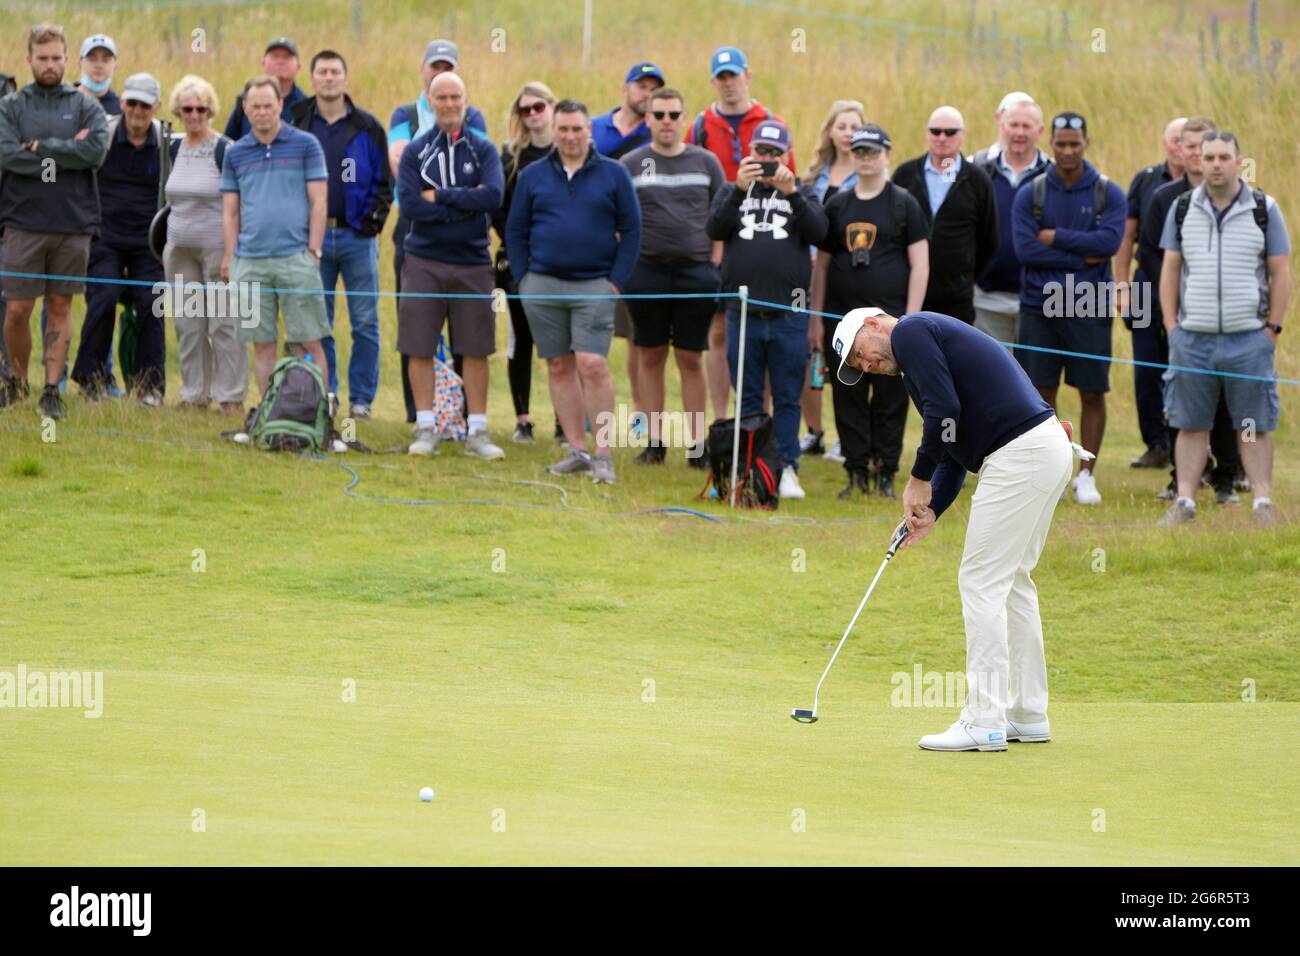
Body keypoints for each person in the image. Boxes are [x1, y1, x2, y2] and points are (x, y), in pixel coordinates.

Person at [832, 307, 1076, 752]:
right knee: (1013, 582)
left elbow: (944, 411)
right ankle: (1027, 713)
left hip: (1021, 454)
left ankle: (984, 721)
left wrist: (915, 479)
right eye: (857, 367)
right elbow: (951, 442)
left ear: (872, 324)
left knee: (981, 582)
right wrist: (929, 511)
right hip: (1044, 449)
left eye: (859, 355)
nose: (865, 366)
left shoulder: (910, 331)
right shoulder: (916, 356)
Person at [1157, 130, 1290, 527]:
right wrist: (1172, 326)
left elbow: (1281, 272)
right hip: (1192, 340)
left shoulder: (1264, 209)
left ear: (1237, 160)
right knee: (1190, 422)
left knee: (1251, 424)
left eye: (1223, 157)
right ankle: (1185, 501)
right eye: (1208, 156)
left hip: (1248, 339)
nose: (1214, 163)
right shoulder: (1182, 209)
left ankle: (1262, 501)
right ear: (1199, 161)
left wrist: (1272, 330)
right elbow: (1170, 270)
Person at [505, 99, 641, 485]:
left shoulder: (614, 174)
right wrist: (523, 280)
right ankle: (577, 451)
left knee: (592, 364)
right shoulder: (533, 175)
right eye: (563, 129)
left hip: (595, 284)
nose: (569, 136)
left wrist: (615, 282)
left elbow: (632, 230)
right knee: (558, 364)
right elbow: (515, 230)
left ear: (589, 130)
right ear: (555, 130)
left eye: (577, 129)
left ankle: (602, 455)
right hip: (541, 284)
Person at [706, 119, 828, 500]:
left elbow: (820, 233)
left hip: (789, 313)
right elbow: (714, 229)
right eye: (761, 151)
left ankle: (787, 466)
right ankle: (749, 465)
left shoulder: (803, 192)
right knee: (748, 395)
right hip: (743, 311)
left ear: (787, 154)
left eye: (775, 153)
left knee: (789, 394)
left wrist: (791, 193)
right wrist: (739, 190)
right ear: (750, 153)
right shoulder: (732, 189)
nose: (768, 159)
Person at [1011, 111, 1125, 505]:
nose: (1067, 151)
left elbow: (1109, 244)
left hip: (1089, 306)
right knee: (1041, 393)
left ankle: (1086, 475)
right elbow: (1026, 249)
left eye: (1074, 143)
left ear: (1085, 144)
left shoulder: (1108, 192)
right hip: (1038, 307)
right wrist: (1082, 255)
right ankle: (1054, 471)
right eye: (1060, 143)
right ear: (1052, 144)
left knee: (1092, 391)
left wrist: (1055, 238)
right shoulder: (1032, 191)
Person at [811, 125, 928, 500]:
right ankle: (856, 470)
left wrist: (910, 322)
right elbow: (823, 265)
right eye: (858, 151)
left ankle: (886, 472)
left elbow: (920, 265)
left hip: (891, 327)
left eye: (872, 151)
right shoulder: (838, 204)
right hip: (844, 324)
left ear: (887, 154)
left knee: (892, 401)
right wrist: (815, 316)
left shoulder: (903, 203)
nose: (865, 158)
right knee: (849, 398)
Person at [0, 24, 110, 419]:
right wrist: (68, 152)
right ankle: (14, 380)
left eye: (56, 58)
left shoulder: (85, 106)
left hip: (72, 222)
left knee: (60, 307)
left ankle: (51, 389)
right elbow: (8, 155)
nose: (49, 65)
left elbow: (94, 152)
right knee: (17, 309)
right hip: (22, 221)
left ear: (67, 60)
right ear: (28, 59)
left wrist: (43, 148)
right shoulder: (11, 106)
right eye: (41, 58)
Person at [396, 71, 504, 460]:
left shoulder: (484, 149)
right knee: (419, 344)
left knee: (475, 348)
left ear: (465, 100)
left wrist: (439, 196)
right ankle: (426, 426)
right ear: (429, 100)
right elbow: (409, 206)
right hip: (423, 259)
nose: (449, 104)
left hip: (472, 261)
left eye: (455, 97)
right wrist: (462, 204)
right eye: (441, 98)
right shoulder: (415, 150)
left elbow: (492, 196)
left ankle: (477, 430)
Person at [687, 45, 796, 425]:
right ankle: (721, 420)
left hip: (764, 238)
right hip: (719, 237)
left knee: (762, 333)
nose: (728, 84)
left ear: (748, 76)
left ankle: (757, 419)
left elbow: (791, 186)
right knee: (718, 332)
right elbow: (696, 185)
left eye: (734, 75)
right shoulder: (701, 126)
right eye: (722, 77)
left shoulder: (770, 120)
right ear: (713, 82)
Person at [621, 87, 724, 467]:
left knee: (691, 358)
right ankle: (655, 441)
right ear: (647, 118)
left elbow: (721, 218)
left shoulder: (706, 162)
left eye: (673, 115)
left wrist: (714, 265)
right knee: (649, 355)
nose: (666, 121)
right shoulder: (629, 164)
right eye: (659, 114)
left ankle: (698, 444)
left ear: (684, 119)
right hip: (645, 274)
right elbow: (620, 222)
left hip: (696, 274)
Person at [1141, 118, 1242, 505]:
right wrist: (1175, 308)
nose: (1200, 154)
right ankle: (1182, 476)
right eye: (1192, 146)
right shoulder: (1165, 198)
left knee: (1226, 401)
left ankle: (1227, 477)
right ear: (1180, 150)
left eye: (1207, 146)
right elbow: (1151, 254)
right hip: (1181, 319)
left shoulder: (1243, 198)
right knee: (1180, 399)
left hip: (1229, 319)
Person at [388, 39, 488, 424]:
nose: (440, 73)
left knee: (467, 327)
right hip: (412, 227)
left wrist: (435, 190)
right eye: (435, 67)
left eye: (448, 67)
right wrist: (453, 189)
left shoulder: (473, 115)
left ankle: (464, 413)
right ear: (423, 71)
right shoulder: (406, 113)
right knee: (415, 324)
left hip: (462, 232)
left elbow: (481, 172)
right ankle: (419, 413)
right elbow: (400, 165)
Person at [291, 49, 392, 421]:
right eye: (322, 72)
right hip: (311, 239)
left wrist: (370, 223)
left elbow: (385, 183)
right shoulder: (298, 121)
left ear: (345, 78)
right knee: (319, 321)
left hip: (356, 239)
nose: (329, 78)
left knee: (365, 321)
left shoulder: (367, 126)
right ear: (313, 78)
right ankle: (326, 393)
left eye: (335, 71)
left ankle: (362, 399)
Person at [219, 76, 330, 396]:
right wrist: (231, 254)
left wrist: (314, 251)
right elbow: (230, 211)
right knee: (262, 343)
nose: (263, 112)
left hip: (296, 258)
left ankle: (318, 408)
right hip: (250, 262)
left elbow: (319, 201)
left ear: (280, 106)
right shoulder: (235, 153)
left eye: (269, 105)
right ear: (245, 109)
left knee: (309, 340)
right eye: (256, 106)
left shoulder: (306, 144)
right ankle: (270, 411)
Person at [70, 73, 169, 405]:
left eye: (145, 104)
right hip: (106, 238)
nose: (138, 110)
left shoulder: (167, 142)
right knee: (104, 296)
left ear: (157, 106)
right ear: (123, 102)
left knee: (151, 302)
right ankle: (91, 379)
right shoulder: (104, 135)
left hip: (148, 242)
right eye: (132, 102)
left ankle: (149, 388)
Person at [161, 74, 245, 415]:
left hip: (217, 248)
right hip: (179, 249)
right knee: (188, 324)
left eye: (200, 108)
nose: (194, 115)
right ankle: (194, 393)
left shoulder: (226, 149)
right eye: (187, 109)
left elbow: (238, 203)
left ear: (210, 110)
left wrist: (231, 252)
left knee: (223, 323)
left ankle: (231, 396)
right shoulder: (173, 146)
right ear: (178, 112)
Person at [593, 61, 665, 440]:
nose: (647, 93)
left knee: (639, 338)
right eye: (641, 85)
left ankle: (640, 419)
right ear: (626, 87)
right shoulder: (593, 129)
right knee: (591, 331)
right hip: (596, 246)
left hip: (638, 251)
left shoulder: (655, 135)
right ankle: (589, 415)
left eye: (654, 87)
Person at [1113, 117, 1187, 470]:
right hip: (1144, 284)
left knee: (1183, 364)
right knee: (1145, 368)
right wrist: (1122, 285)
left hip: (1187, 287)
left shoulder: (1203, 186)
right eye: (1174, 140)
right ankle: (1155, 444)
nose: (1179, 147)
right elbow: (1127, 238)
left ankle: (1185, 443)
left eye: (1185, 141)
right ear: (1165, 142)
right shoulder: (1144, 180)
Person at [891, 106, 999, 325]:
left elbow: (990, 239)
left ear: (962, 136)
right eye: (935, 131)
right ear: (927, 134)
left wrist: (962, 276)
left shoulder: (977, 180)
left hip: (956, 300)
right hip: (905, 295)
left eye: (950, 132)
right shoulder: (905, 174)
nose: (942, 138)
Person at [800, 98, 865, 462]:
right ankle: (814, 431)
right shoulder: (812, 177)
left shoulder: (868, 177)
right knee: (812, 355)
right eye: (841, 126)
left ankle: (846, 435)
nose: (848, 134)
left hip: (846, 275)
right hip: (808, 274)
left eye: (855, 127)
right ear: (830, 131)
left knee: (846, 354)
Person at [492, 81, 556, 445]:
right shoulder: (511, 156)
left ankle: (566, 421)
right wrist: (520, 248)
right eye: (525, 109)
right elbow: (499, 211)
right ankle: (523, 419)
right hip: (518, 261)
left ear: (551, 106)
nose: (532, 115)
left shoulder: (569, 150)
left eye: (538, 107)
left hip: (561, 260)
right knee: (522, 340)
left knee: (563, 343)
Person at [972, 98, 1049, 346]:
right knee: (988, 379)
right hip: (985, 300)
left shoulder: (1055, 175)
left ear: (1040, 131)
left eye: (1027, 126)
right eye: (1013, 124)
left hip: (1038, 301)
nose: (1019, 132)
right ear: (1001, 125)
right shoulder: (977, 169)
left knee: (1033, 382)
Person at [223, 38, 306, 139]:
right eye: (275, 56)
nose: (280, 61)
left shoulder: (306, 105)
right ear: (263, 63)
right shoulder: (246, 99)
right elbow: (229, 140)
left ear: (298, 66)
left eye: (286, 57)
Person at [591, 61, 663, 159]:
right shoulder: (592, 127)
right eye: (642, 87)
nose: (648, 94)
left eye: (654, 90)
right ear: (624, 89)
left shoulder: (659, 133)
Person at [971, 90, 1034, 165]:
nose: (1020, 132)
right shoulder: (974, 163)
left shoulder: (1047, 167)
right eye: (1014, 122)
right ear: (998, 118)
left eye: (1026, 124)